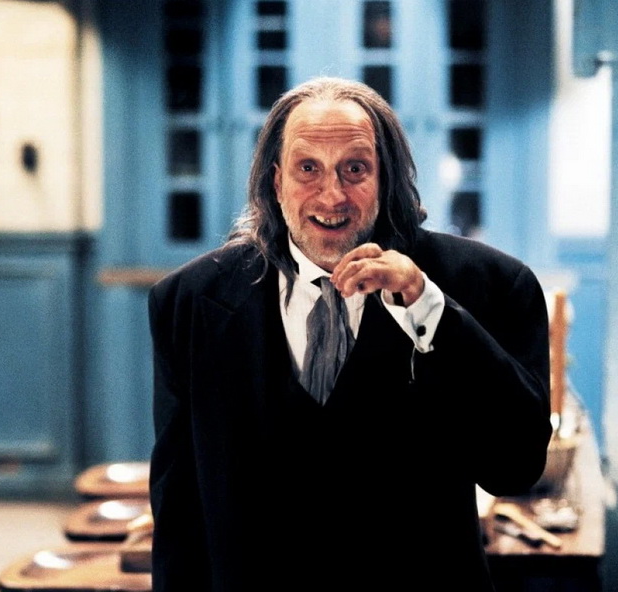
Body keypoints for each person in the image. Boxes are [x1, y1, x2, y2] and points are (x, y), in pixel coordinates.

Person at [148, 77, 551, 591]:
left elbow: (515, 466)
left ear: (386, 178)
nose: (332, 195)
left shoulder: (492, 285)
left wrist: (428, 308)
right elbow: (179, 512)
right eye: (308, 168)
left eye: (355, 168)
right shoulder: (187, 302)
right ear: (276, 182)